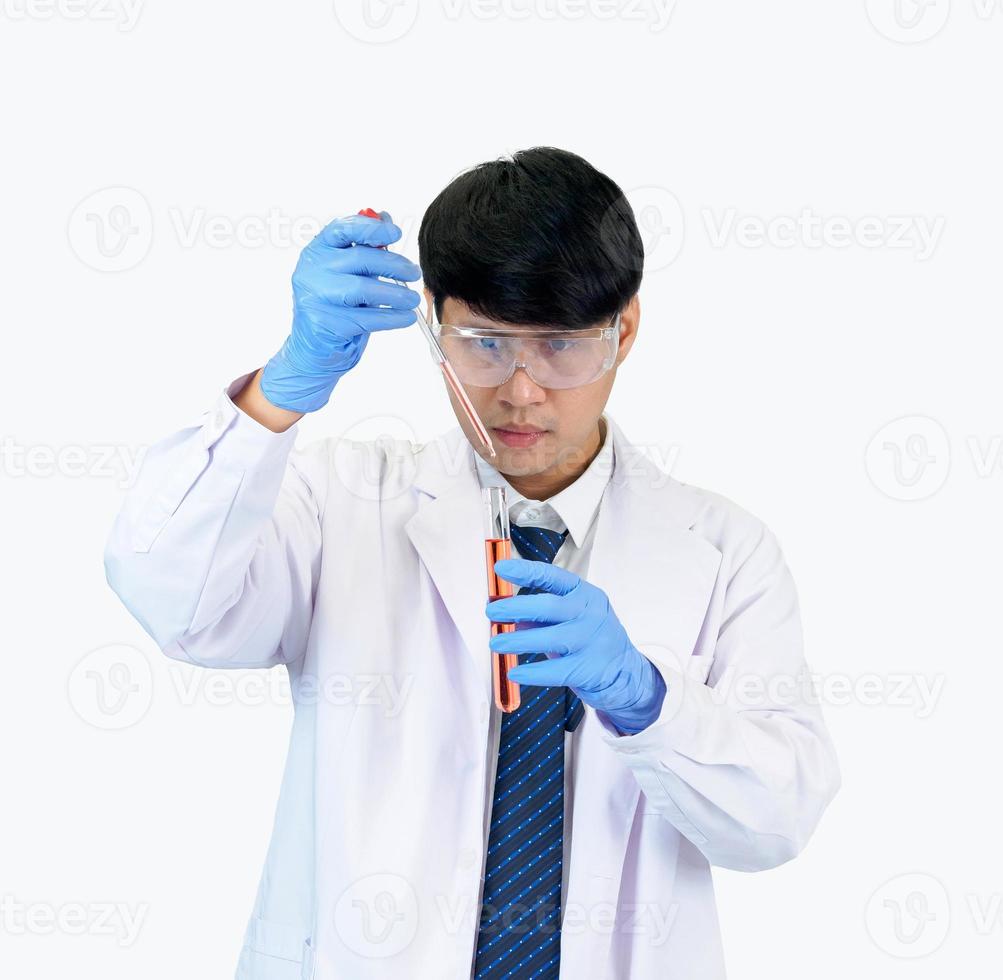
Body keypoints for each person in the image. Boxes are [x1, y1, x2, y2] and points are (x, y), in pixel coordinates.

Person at [103, 146, 840, 980]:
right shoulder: (344, 500)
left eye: (561, 345)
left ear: (623, 329)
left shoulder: (725, 551)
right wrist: (281, 388)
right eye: (484, 342)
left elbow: (775, 820)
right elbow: (173, 598)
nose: (521, 390)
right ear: (433, 321)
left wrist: (646, 700)